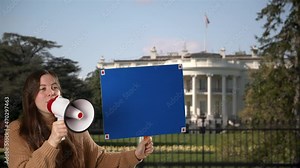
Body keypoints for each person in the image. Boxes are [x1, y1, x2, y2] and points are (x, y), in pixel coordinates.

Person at [6, 69, 154, 167]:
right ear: (31, 97)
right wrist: (52, 142)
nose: (51, 93)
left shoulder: (75, 124)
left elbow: (98, 161)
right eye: (42, 89)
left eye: (54, 87)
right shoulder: (16, 130)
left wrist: (135, 155)